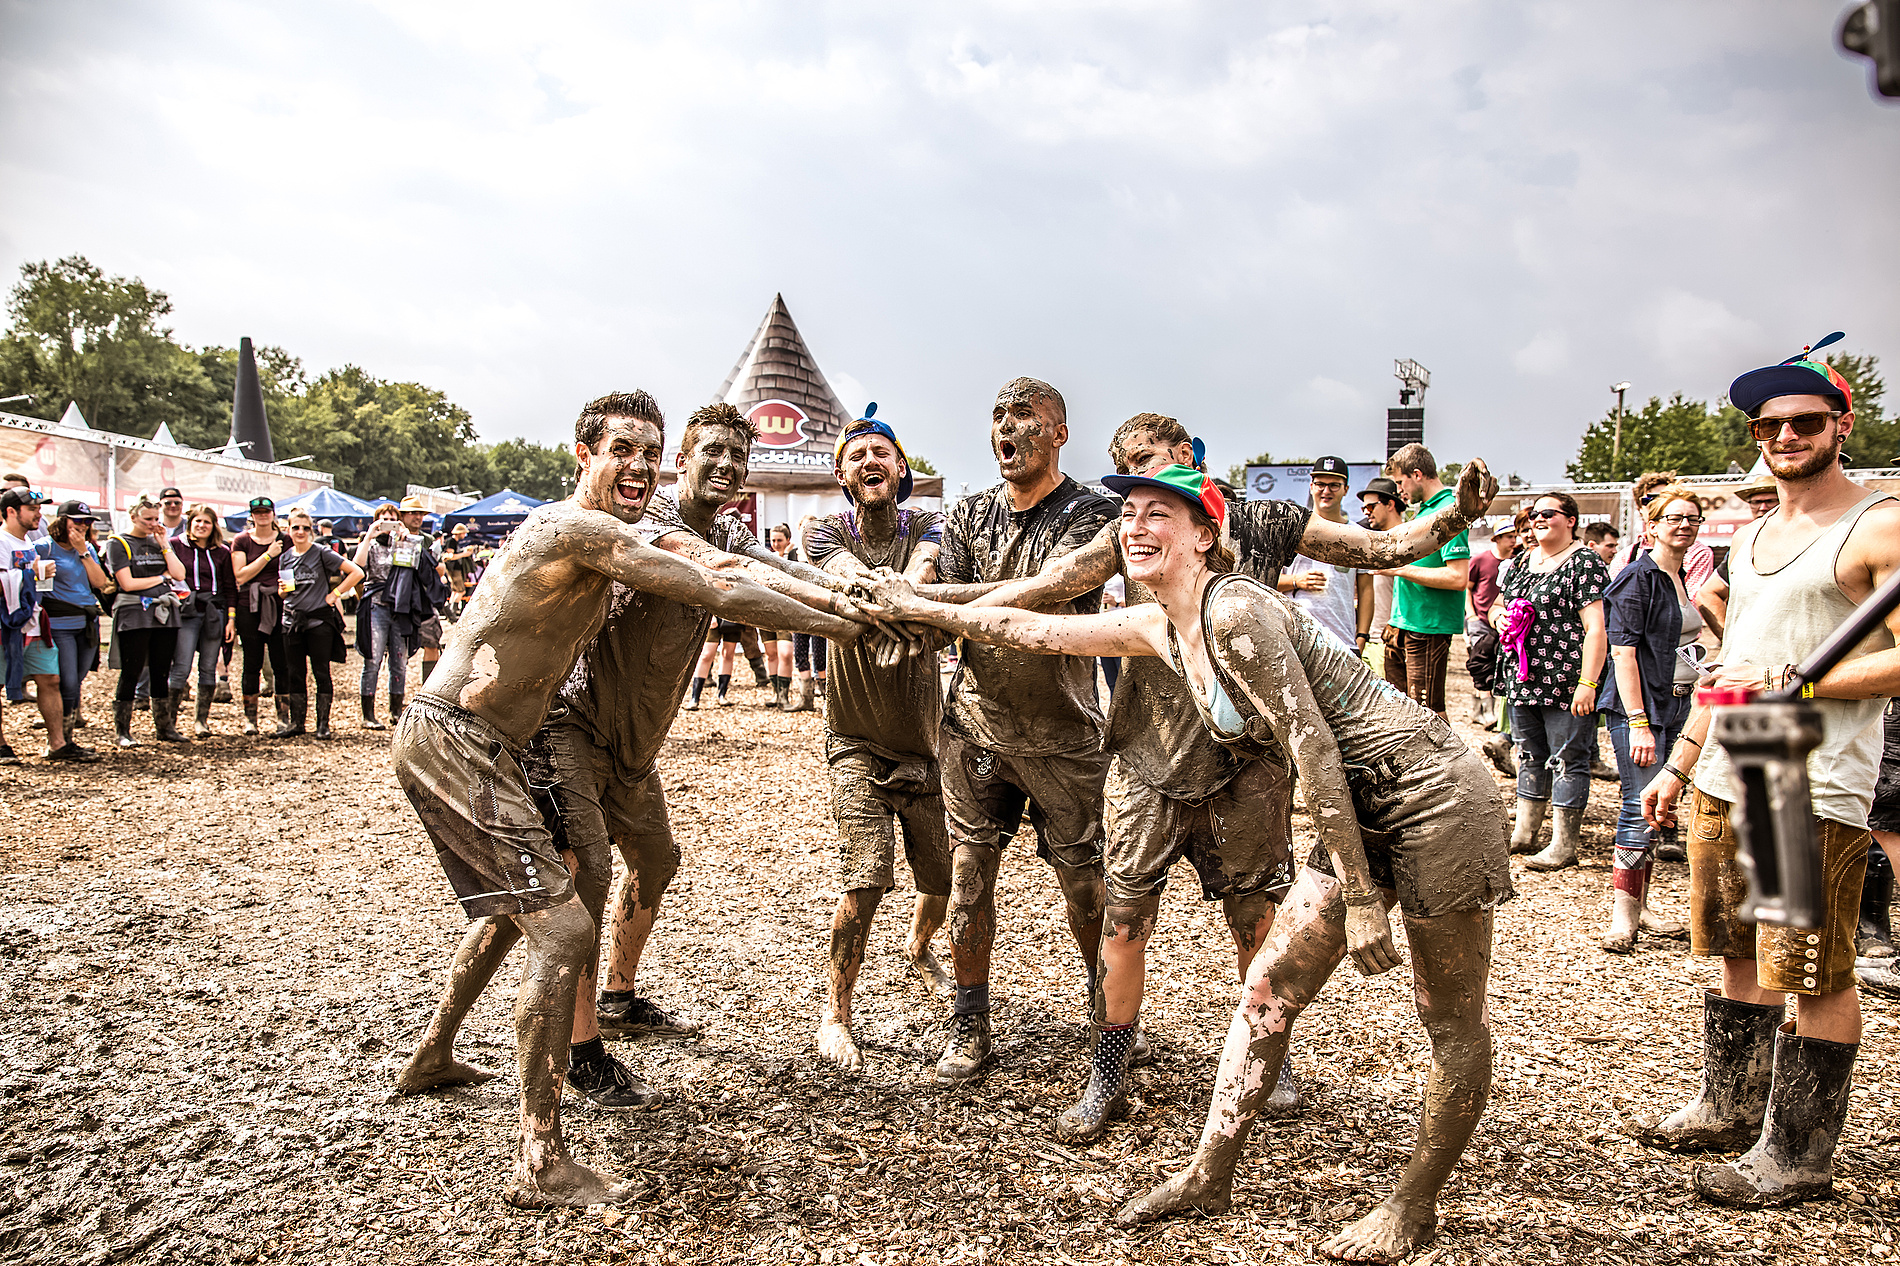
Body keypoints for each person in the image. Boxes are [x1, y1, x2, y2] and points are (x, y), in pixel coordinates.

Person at [872, 462, 1510, 1262]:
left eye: (1159, 515)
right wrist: (918, 608)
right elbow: (1031, 627)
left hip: (1431, 793)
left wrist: (1361, 895)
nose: (1136, 526)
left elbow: (1312, 749)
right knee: (1269, 987)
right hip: (1362, 804)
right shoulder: (1158, 626)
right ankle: (1211, 1173)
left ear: (1206, 537)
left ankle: (1413, 1206)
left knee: (1445, 1016)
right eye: (1129, 513)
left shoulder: (1236, 610)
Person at [393, 392, 877, 1208]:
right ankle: (541, 1158)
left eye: (649, 451)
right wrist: (846, 627)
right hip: (461, 738)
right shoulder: (576, 530)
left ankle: (436, 1051)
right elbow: (716, 590)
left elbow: (740, 567)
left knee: (534, 906)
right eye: (626, 449)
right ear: (584, 452)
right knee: (563, 925)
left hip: (499, 742)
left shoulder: (634, 529)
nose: (640, 465)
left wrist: (848, 597)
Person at [1639, 343, 1899, 1208]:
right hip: (1730, 762)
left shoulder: (1879, 523)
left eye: (1805, 421)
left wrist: (1812, 680)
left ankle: (1796, 1155)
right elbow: (1735, 661)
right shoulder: (1749, 534)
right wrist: (1682, 760)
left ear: (1841, 425)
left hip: (1802, 774)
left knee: (1810, 968)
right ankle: (1730, 1105)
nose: (1785, 435)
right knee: (1735, 947)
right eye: (1769, 424)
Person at [545, 402, 865, 1096]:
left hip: (634, 747)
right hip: (575, 725)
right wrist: (842, 625)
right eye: (711, 451)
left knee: (655, 862)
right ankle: (579, 1051)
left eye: (737, 458)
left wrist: (851, 590)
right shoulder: (646, 521)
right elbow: (729, 580)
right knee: (588, 879)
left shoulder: (724, 525)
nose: (724, 465)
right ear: (681, 460)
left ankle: (618, 997)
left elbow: (773, 566)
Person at [909, 377, 1119, 1083]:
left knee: (1085, 887)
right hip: (976, 727)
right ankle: (970, 1024)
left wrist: (930, 599)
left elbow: (1055, 590)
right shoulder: (971, 514)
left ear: (1059, 432)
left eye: (1024, 416)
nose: (1007, 427)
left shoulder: (1094, 514)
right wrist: (913, 601)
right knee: (968, 879)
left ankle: (1108, 1015)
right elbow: (947, 611)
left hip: (1065, 733)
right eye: (998, 415)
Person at [804, 410, 953, 1071]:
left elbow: (917, 573)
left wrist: (905, 603)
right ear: (842, 473)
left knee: (944, 879)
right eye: (858, 453)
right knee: (865, 880)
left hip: (925, 744)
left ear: (902, 470)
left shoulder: (926, 525)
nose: (871, 460)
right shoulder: (824, 532)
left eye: (883, 452)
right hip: (855, 738)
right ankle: (836, 1014)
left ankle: (919, 949)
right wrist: (905, 616)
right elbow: (851, 579)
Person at [1597, 488, 1704, 952]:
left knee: (1658, 808)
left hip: (1678, 702)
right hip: (1641, 708)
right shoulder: (1637, 577)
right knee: (1637, 805)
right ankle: (1623, 916)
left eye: (1693, 519)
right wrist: (1638, 721)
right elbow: (1622, 653)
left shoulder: (1677, 576)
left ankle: (1642, 906)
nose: (1685, 525)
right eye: (1675, 518)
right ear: (1652, 525)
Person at [1493, 491, 1609, 870]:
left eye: (1548, 513)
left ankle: (1563, 844)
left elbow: (1596, 629)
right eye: (1534, 514)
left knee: (1567, 759)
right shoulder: (1523, 561)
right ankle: (1525, 833)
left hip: (1566, 679)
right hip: (1524, 677)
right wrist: (1500, 620)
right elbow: (1498, 605)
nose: (1538, 519)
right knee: (1528, 754)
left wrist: (1588, 683)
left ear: (1571, 520)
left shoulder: (1585, 563)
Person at [1376, 443, 1470, 720]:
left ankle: (1447, 765)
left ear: (1417, 475)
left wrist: (1399, 570)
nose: (1399, 490)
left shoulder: (1450, 511)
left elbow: (1457, 577)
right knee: (1402, 713)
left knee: (1428, 716)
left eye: (1400, 481)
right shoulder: (1425, 510)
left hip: (1428, 626)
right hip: (1405, 624)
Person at [105, 494, 188, 747]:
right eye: (147, 519)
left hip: (165, 614)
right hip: (134, 613)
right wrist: (161, 579)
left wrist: (164, 543)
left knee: (161, 670)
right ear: (133, 517)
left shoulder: (159, 541)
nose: (152, 524)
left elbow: (179, 573)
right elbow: (127, 583)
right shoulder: (118, 543)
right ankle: (123, 731)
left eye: (156, 519)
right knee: (132, 670)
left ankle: (164, 727)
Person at [273, 508, 364, 739]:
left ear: (311, 530)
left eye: (305, 528)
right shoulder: (285, 556)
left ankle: (323, 724)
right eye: (296, 527)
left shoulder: (321, 553)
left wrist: (335, 594)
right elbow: (285, 592)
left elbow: (356, 572)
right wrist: (282, 592)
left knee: (321, 672)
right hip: (292, 621)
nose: (300, 532)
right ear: (288, 530)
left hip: (318, 622)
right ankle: (297, 723)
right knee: (295, 673)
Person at [0, 488, 77, 760]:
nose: (38, 514)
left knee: (50, 678)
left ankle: (58, 744)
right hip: (4, 626)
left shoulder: (29, 545)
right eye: (32, 509)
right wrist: (29, 573)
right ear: (11, 511)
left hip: (32, 622)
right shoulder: (0, 541)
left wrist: (41, 577)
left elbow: (31, 584)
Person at [352, 498, 440, 730]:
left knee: (399, 662)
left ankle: (395, 712)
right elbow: (357, 567)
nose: (388, 524)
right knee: (373, 659)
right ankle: (368, 715)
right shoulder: (370, 544)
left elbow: (419, 568)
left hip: (401, 608)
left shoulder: (404, 542)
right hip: (377, 606)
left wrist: (406, 540)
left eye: (393, 520)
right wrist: (369, 536)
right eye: (384, 520)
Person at [1281, 456, 1373, 655]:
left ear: (1346, 489)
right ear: (1311, 486)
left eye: (1334, 485)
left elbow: (1366, 590)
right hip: (1296, 642)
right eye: (1320, 484)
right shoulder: (1291, 529)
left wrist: (1362, 636)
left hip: (1343, 641)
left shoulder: (1357, 534)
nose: (1326, 491)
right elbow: (1266, 582)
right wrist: (1296, 580)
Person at [41, 502, 109, 758]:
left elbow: (101, 583)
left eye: (86, 521)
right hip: (59, 624)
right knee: (67, 682)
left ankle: (65, 739)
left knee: (76, 682)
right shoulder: (45, 547)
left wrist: (83, 551)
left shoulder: (87, 548)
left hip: (87, 622)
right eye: (76, 520)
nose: (82, 525)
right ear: (62, 521)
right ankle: (58, 742)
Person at [170, 505, 237, 738]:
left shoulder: (222, 552)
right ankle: (169, 722)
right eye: (197, 521)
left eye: (206, 522)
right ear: (190, 523)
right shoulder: (176, 545)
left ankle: (201, 721)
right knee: (181, 666)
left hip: (214, 611)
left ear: (213, 526)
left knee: (208, 667)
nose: (201, 526)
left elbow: (230, 587)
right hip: (186, 612)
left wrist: (231, 619)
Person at [230, 498, 291, 735]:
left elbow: (289, 569)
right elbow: (241, 575)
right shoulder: (242, 540)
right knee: (251, 662)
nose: (263, 516)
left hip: (278, 604)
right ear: (252, 515)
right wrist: (267, 555)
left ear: (273, 514)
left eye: (266, 512)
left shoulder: (285, 540)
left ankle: (283, 718)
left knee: (281, 662)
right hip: (250, 606)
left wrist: (287, 593)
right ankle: (250, 719)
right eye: (258, 512)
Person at [1696, 472, 1780, 640]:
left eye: (1769, 501)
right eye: (1756, 502)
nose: (1762, 507)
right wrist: (1730, 641)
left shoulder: (1808, 537)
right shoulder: (1744, 543)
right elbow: (1707, 594)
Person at [1465, 519, 1515, 729]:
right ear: (1498, 539)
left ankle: (1477, 711)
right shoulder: (1480, 560)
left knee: (1496, 665)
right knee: (1480, 664)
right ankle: (1489, 712)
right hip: (1481, 622)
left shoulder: (1516, 562)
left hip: (1502, 622)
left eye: (1515, 536)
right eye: (1509, 536)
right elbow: (1466, 588)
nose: (1514, 540)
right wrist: (1471, 615)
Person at [1359, 476, 1405, 676]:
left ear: (1390, 504)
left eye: (1371, 507)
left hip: (1392, 642)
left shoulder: (1409, 543)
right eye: (1364, 509)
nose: (1367, 513)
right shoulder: (1370, 541)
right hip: (1366, 639)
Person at [763, 523, 800, 709]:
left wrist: (784, 555)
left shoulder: (795, 557)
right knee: (771, 655)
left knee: (785, 654)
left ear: (788, 540)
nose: (776, 544)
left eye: (779, 540)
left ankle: (785, 696)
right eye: (773, 540)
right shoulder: (764, 556)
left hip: (786, 610)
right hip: (766, 610)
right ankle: (776, 694)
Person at [441, 524, 476, 615]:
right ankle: (452, 612)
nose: (464, 535)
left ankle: (450, 612)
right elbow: (450, 557)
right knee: (461, 591)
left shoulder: (454, 542)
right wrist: (464, 554)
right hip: (454, 569)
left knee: (455, 591)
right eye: (464, 533)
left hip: (454, 569)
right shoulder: (451, 541)